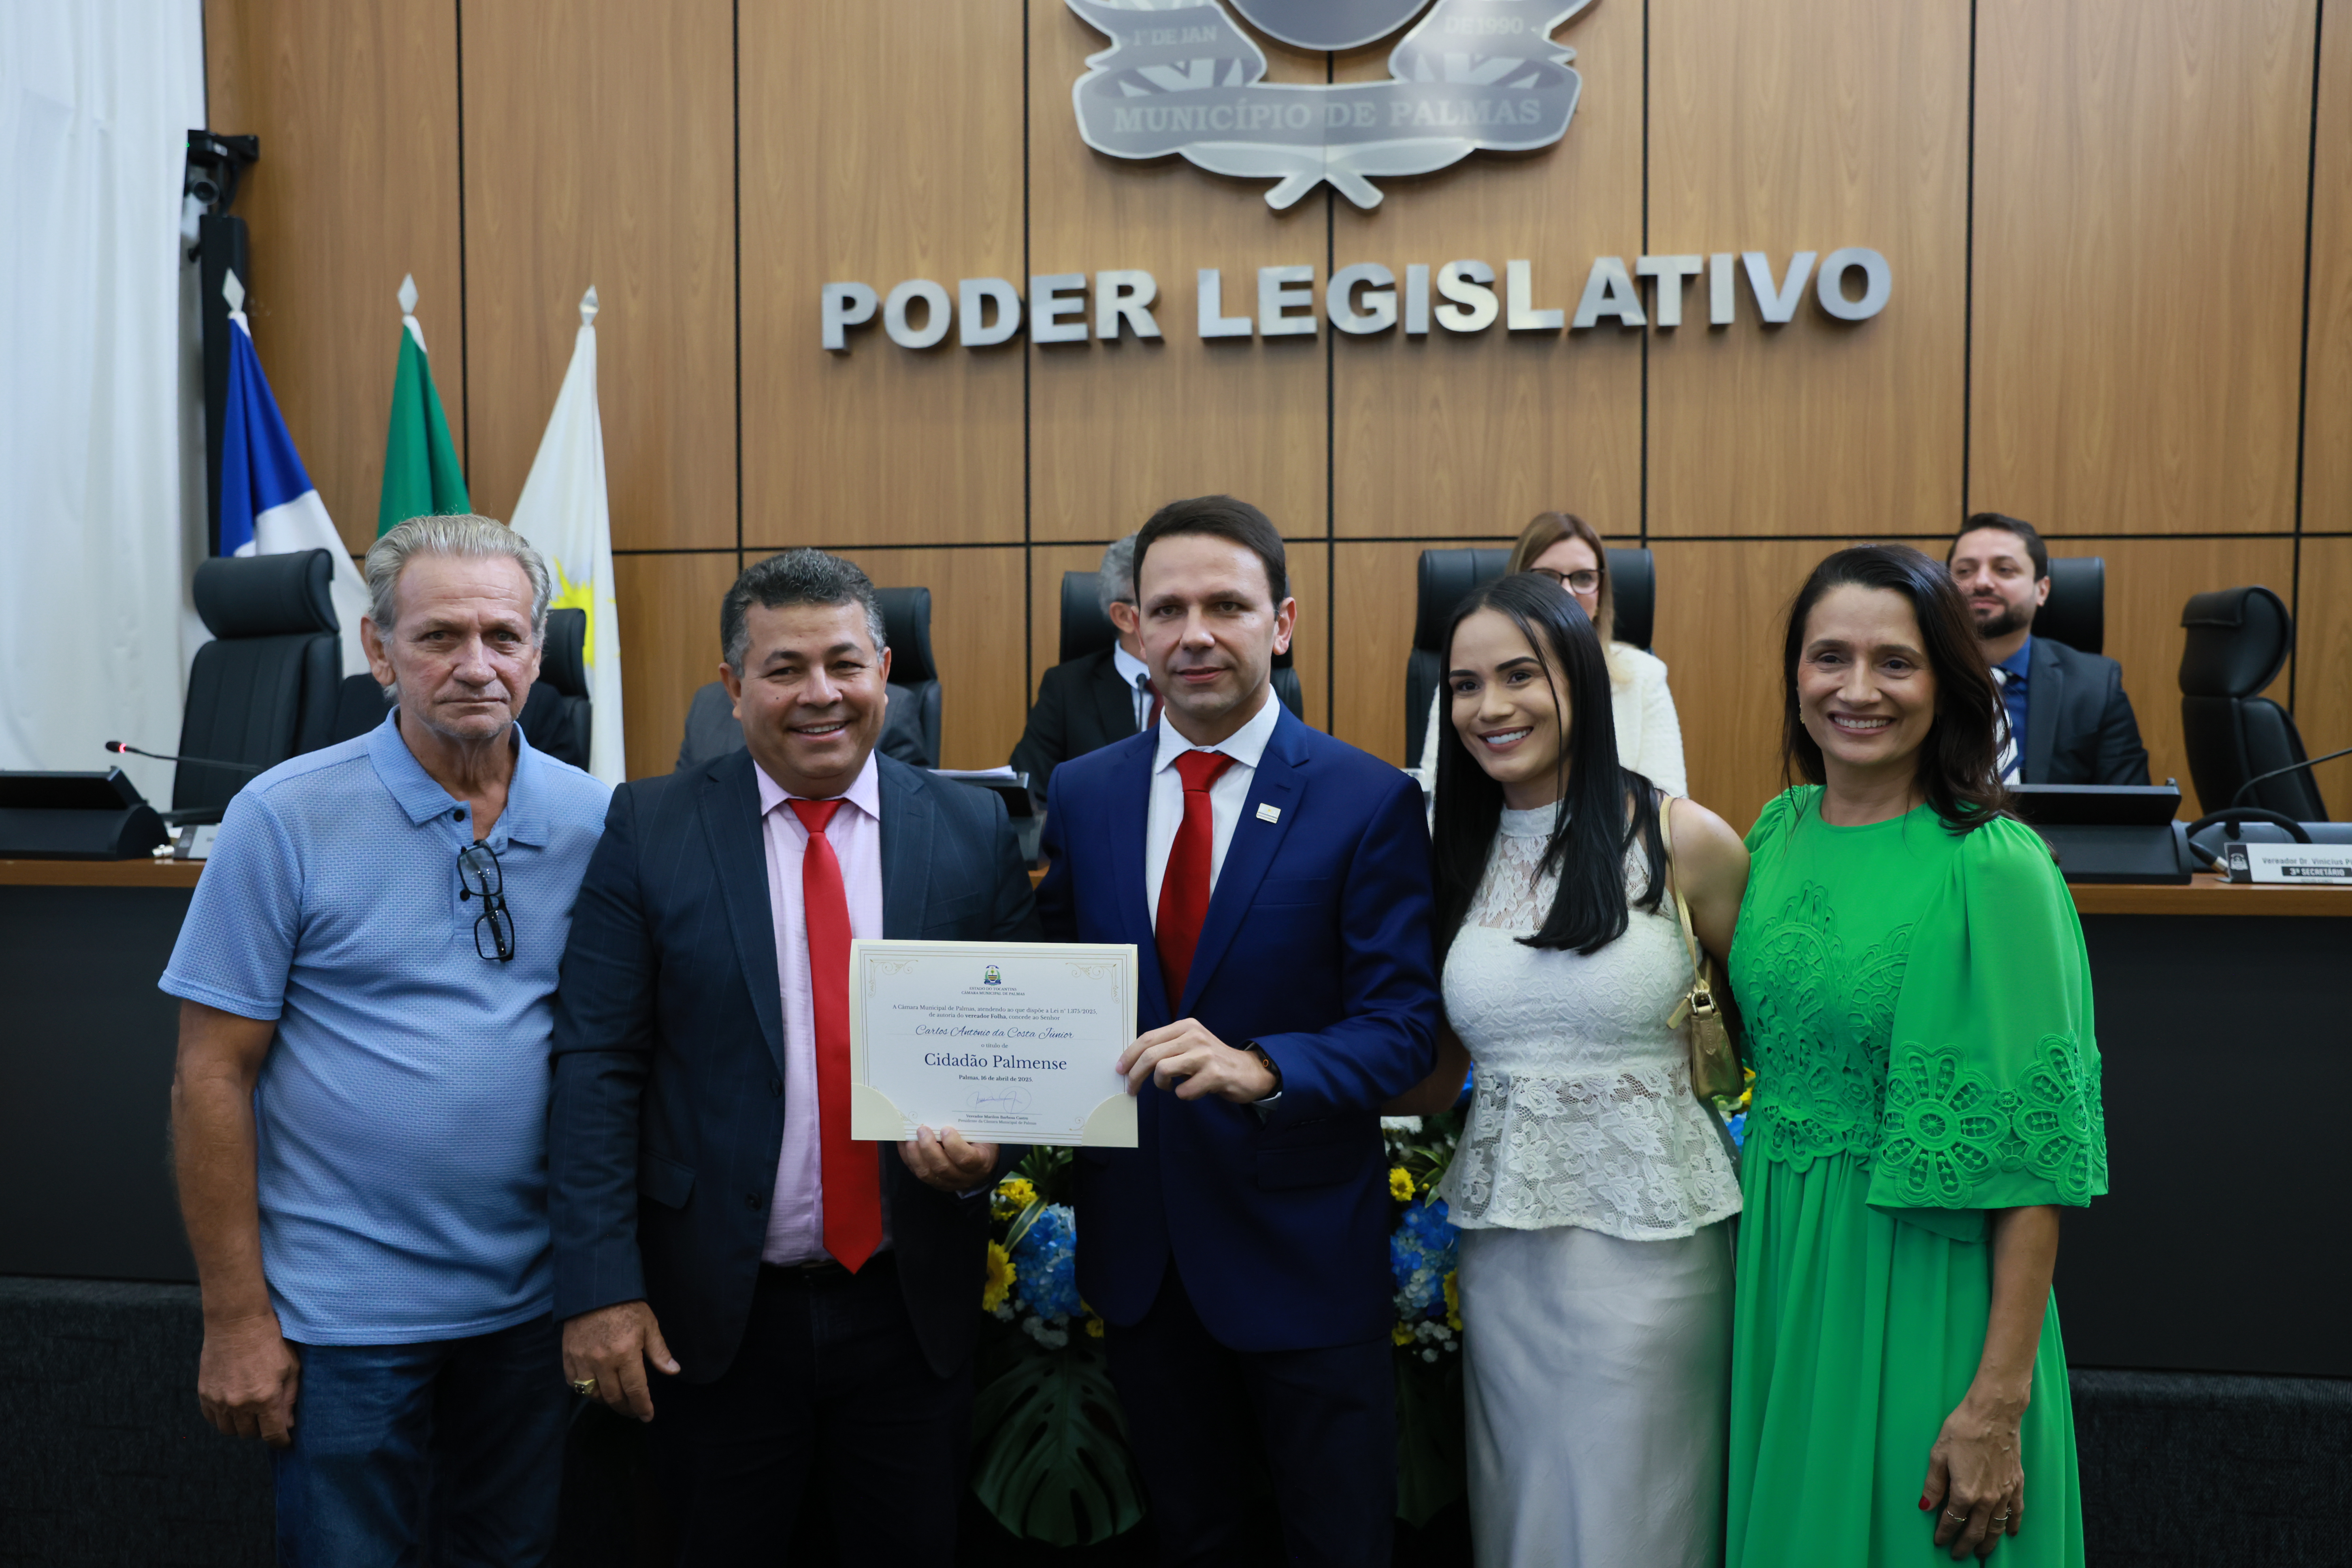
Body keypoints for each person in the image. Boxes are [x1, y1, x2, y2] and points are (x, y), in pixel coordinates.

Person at [549, 548, 1038, 1562]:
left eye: (844, 663)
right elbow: (596, 1065)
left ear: (885, 671)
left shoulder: (969, 827)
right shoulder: (649, 827)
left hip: (907, 1314)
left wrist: (990, 1151)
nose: (820, 694)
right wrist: (600, 1288)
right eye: (783, 669)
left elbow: (1021, 1050)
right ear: (733, 688)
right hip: (711, 1320)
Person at [161, 515, 611, 1565]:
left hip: (533, 1316)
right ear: (377, 650)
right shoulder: (283, 817)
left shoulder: (600, 823)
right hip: (343, 1325)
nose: (476, 665)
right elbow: (209, 1075)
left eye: (504, 637)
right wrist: (235, 1317)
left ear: (540, 652)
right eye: (439, 636)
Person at [1037, 496, 1441, 1567]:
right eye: (1166, 609)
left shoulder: (1368, 799)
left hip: (1301, 1258)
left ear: (1284, 622)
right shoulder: (1082, 795)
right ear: (1130, 630)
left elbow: (1405, 1030)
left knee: (1337, 1544)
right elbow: (1046, 989)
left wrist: (1265, 1067)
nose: (1195, 633)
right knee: (1193, 1538)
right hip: (1145, 1265)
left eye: (1227, 604)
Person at [1726, 544, 2107, 1567]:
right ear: (1793, 675)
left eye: (1894, 662)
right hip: (1782, 1270)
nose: (1856, 690)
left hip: (1922, 1293)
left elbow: (2040, 1159)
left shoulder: (1994, 866)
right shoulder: (1776, 831)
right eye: (1827, 658)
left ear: (1946, 682)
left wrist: (1995, 1404)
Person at [1387, 572, 1747, 1567]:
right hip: (1505, 1254)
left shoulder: (1683, 840)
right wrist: (1275, 1074)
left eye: (1518, 675)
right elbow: (1431, 1073)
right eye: (1463, 684)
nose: (1488, 708)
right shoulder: (1446, 856)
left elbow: (1772, 1035)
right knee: (1523, 1506)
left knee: (1640, 1509)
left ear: (1581, 682)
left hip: (1654, 1247)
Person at [1412, 511, 1685, 798]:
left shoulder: (1644, 673)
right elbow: (1436, 804)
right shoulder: (1465, 675)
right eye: (1546, 578)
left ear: (1601, 592)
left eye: (1583, 578)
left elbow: (1667, 809)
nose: (1566, 592)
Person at [1946, 513, 2149, 786]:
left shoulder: (2097, 687)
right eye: (1964, 571)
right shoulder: (1916, 678)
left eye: (2004, 569)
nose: (1982, 582)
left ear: (2042, 590)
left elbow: (2132, 813)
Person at [1011, 533, 1154, 797]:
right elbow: (1027, 797)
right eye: (1166, 605)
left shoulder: (1203, 678)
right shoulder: (1066, 689)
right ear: (1124, 617)